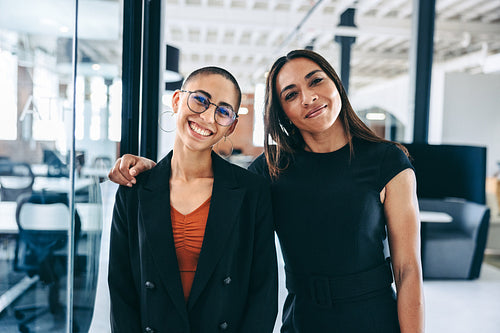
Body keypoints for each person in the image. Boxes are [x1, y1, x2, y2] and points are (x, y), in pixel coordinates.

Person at [109, 50, 424, 333]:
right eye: (291, 94)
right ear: (282, 112)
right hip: (302, 319)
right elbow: (216, 196)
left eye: (316, 82)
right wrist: (152, 173)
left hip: (371, 318)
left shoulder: (386, 159)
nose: (308, 98)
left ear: (336, 85)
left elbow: (407, 269)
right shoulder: (269, 169)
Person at [108, 66, 278, 333]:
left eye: (223, 111)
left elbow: (263, 293)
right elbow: (121, 291)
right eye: (200, 99)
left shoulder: (251, 192)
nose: (208, 116)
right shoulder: (134, 189)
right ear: (177, 101)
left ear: (230, 126)